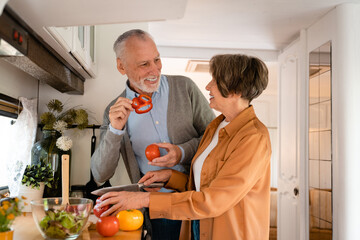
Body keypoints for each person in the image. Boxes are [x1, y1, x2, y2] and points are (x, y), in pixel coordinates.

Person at [97, 54, 272, 240]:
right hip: (199, 227)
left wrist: (143, 199)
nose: (208, 86)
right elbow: (201, 186)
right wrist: (170, 177)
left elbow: (213, 200)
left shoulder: (253, 138)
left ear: (235, 90)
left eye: (215, 81)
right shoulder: (216, 127)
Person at [90, 29, 215, 240]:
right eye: (144, 64)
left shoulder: (185, 88)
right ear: (122, 66)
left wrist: (181, 152)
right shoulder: (114, 110)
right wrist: (114, 130)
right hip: (155, 210)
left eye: (156, 60)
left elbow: (215, 138)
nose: (155, 70)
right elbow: (100, 174)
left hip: (194, 202)